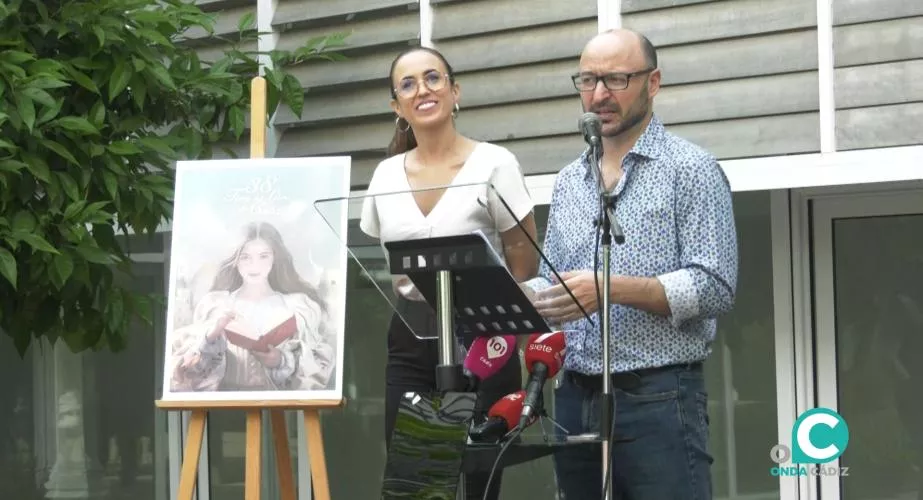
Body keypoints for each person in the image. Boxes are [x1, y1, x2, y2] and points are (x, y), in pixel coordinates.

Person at [523, 29, 738, 499]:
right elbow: (556, 279)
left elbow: (715, 285)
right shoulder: (567, 181)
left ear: (653, 82)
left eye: (617, 79)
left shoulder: (692, 169)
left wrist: (611, 288)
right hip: (574, 399)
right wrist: (514, 296)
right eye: (588, 80)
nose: (599, 94)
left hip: (658, 397)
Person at [359, 46, 539, 498]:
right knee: (415, 487)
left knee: (478, 483)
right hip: (412, 337)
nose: (423, 89)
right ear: (396, 105)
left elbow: (524, 260)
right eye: (408, 84)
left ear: (454, 91)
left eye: (433, 78)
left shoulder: (494, 164)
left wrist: (503, 332)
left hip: (483, 335)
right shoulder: (383, 175)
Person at [169, 221, 336, 393]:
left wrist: (281, 360)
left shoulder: (299, 307)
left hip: (280, 405)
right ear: (235, 260)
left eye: (264, 256)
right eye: (245, 257)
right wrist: (211, 337)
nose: (254, 265)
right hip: (225, 407)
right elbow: (187, 370)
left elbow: (317, 364)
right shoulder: (214, 305)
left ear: (275, 258)